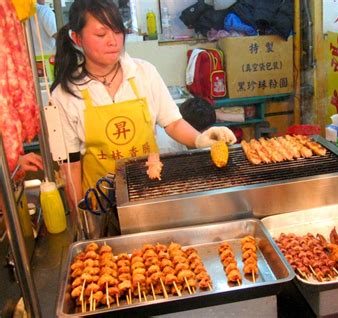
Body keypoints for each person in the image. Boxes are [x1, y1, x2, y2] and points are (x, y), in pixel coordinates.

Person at [51, 0, 236, 211]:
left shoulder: (143, 73)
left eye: (118, 31)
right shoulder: (65, 94)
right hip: (102, 202)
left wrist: (199, 139)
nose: (113, 41)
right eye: (101, 35)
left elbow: (173, 122)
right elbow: (71, 165)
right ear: (77, 38)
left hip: (150, 193)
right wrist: (81, 218)